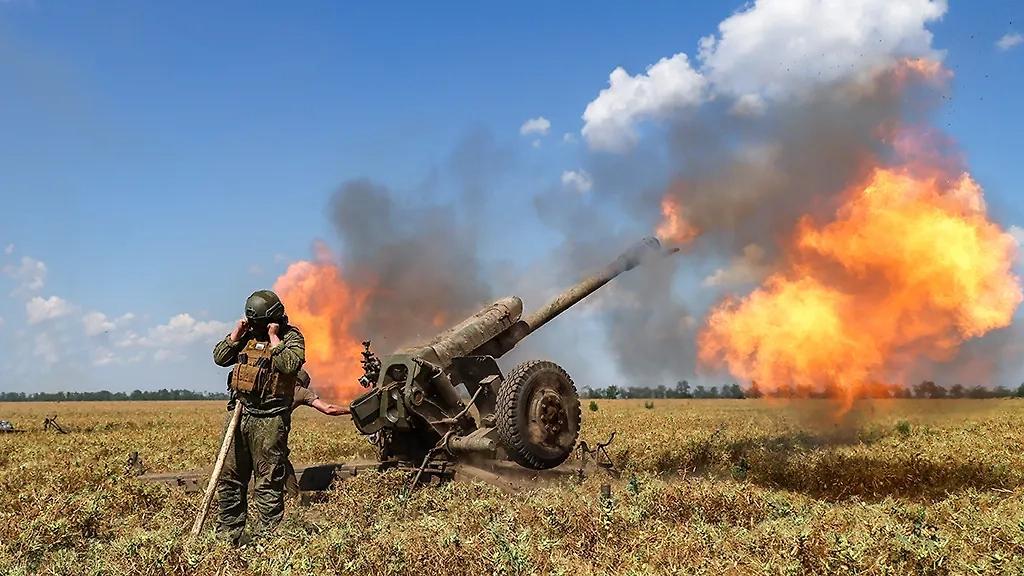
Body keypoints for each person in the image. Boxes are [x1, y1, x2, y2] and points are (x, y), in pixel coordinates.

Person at [212, 289, 305, 546]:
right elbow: (220, 358)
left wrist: (274, 337)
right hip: (239, 414)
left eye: (260, 323)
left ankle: (268, 539)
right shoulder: (246, 336)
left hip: (270, 418)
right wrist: (237, 334)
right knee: (230, 477)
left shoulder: (291, 337)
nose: (257, 327)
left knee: (267, 479)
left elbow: (289, 365)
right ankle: (228, 535)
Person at [283, 368, 351, 499]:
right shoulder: (300, 391)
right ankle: (293, 499)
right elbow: (328, 409)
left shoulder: (276, 387)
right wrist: (351, 410)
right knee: (280, 460)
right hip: (274, 432)